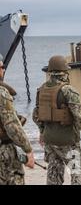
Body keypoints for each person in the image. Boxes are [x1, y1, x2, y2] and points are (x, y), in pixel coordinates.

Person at [32, 56, 81, 185]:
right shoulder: (68, 90)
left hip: (50, 141)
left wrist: (42, 132)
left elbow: (36, 115)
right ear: (64, 72)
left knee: (54, 174)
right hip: (68, 141)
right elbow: (79, 116)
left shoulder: (41, 90)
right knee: (77, 171)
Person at [0, 54, 35, 185]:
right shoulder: (2, 93)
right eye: (2, 67)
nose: (3, 70)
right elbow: (12, 126)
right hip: (4, 151)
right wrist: (28, 149)